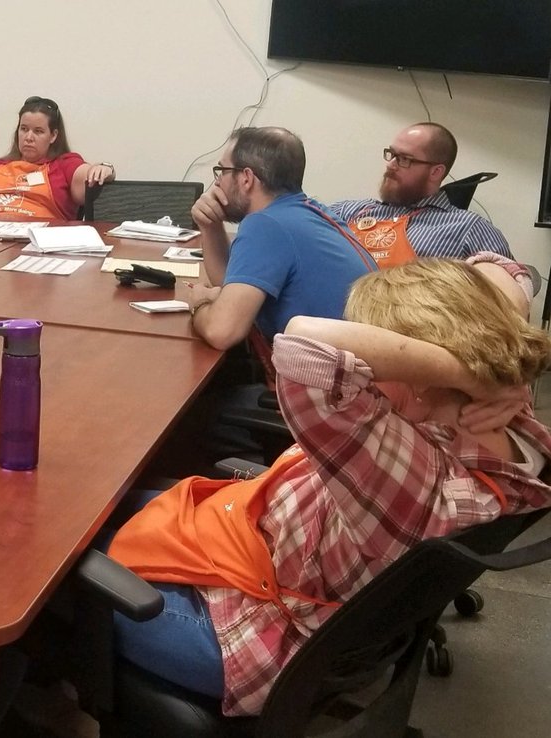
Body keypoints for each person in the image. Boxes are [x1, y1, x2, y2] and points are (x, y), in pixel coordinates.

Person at [105, 259, 551, 717]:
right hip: (278, 548)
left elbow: (303, 341)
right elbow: (514, 276)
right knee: (103, 506)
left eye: (384, 358)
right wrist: (491, 368)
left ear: (424, 378)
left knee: (53, 573)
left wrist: (461, 372)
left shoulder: (416, 480)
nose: (367, 366)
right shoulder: (511, 426)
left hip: (248, 631)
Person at [182, 126, 377, 352]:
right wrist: (211, 226)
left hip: (328, 383)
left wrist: (199, 303)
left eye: (222, 171)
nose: (217, 183)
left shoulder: (266, 225)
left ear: (246, 178)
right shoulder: (308, 213)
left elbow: (222, 331)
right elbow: (231, 290)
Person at [328, 122, 513, 267]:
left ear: (436, 172)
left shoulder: (469, 229)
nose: (391, 164)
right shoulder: (347, 211)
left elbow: (507, 297)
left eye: (404, 159)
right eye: (391, 154)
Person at [0, 96, 115, 220]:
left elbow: (91, 175)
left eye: (38, 131)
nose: (28, 137)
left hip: (35, 243)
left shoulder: (64, 164)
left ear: (53, 136)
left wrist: (106, 169)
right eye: (24, 129)